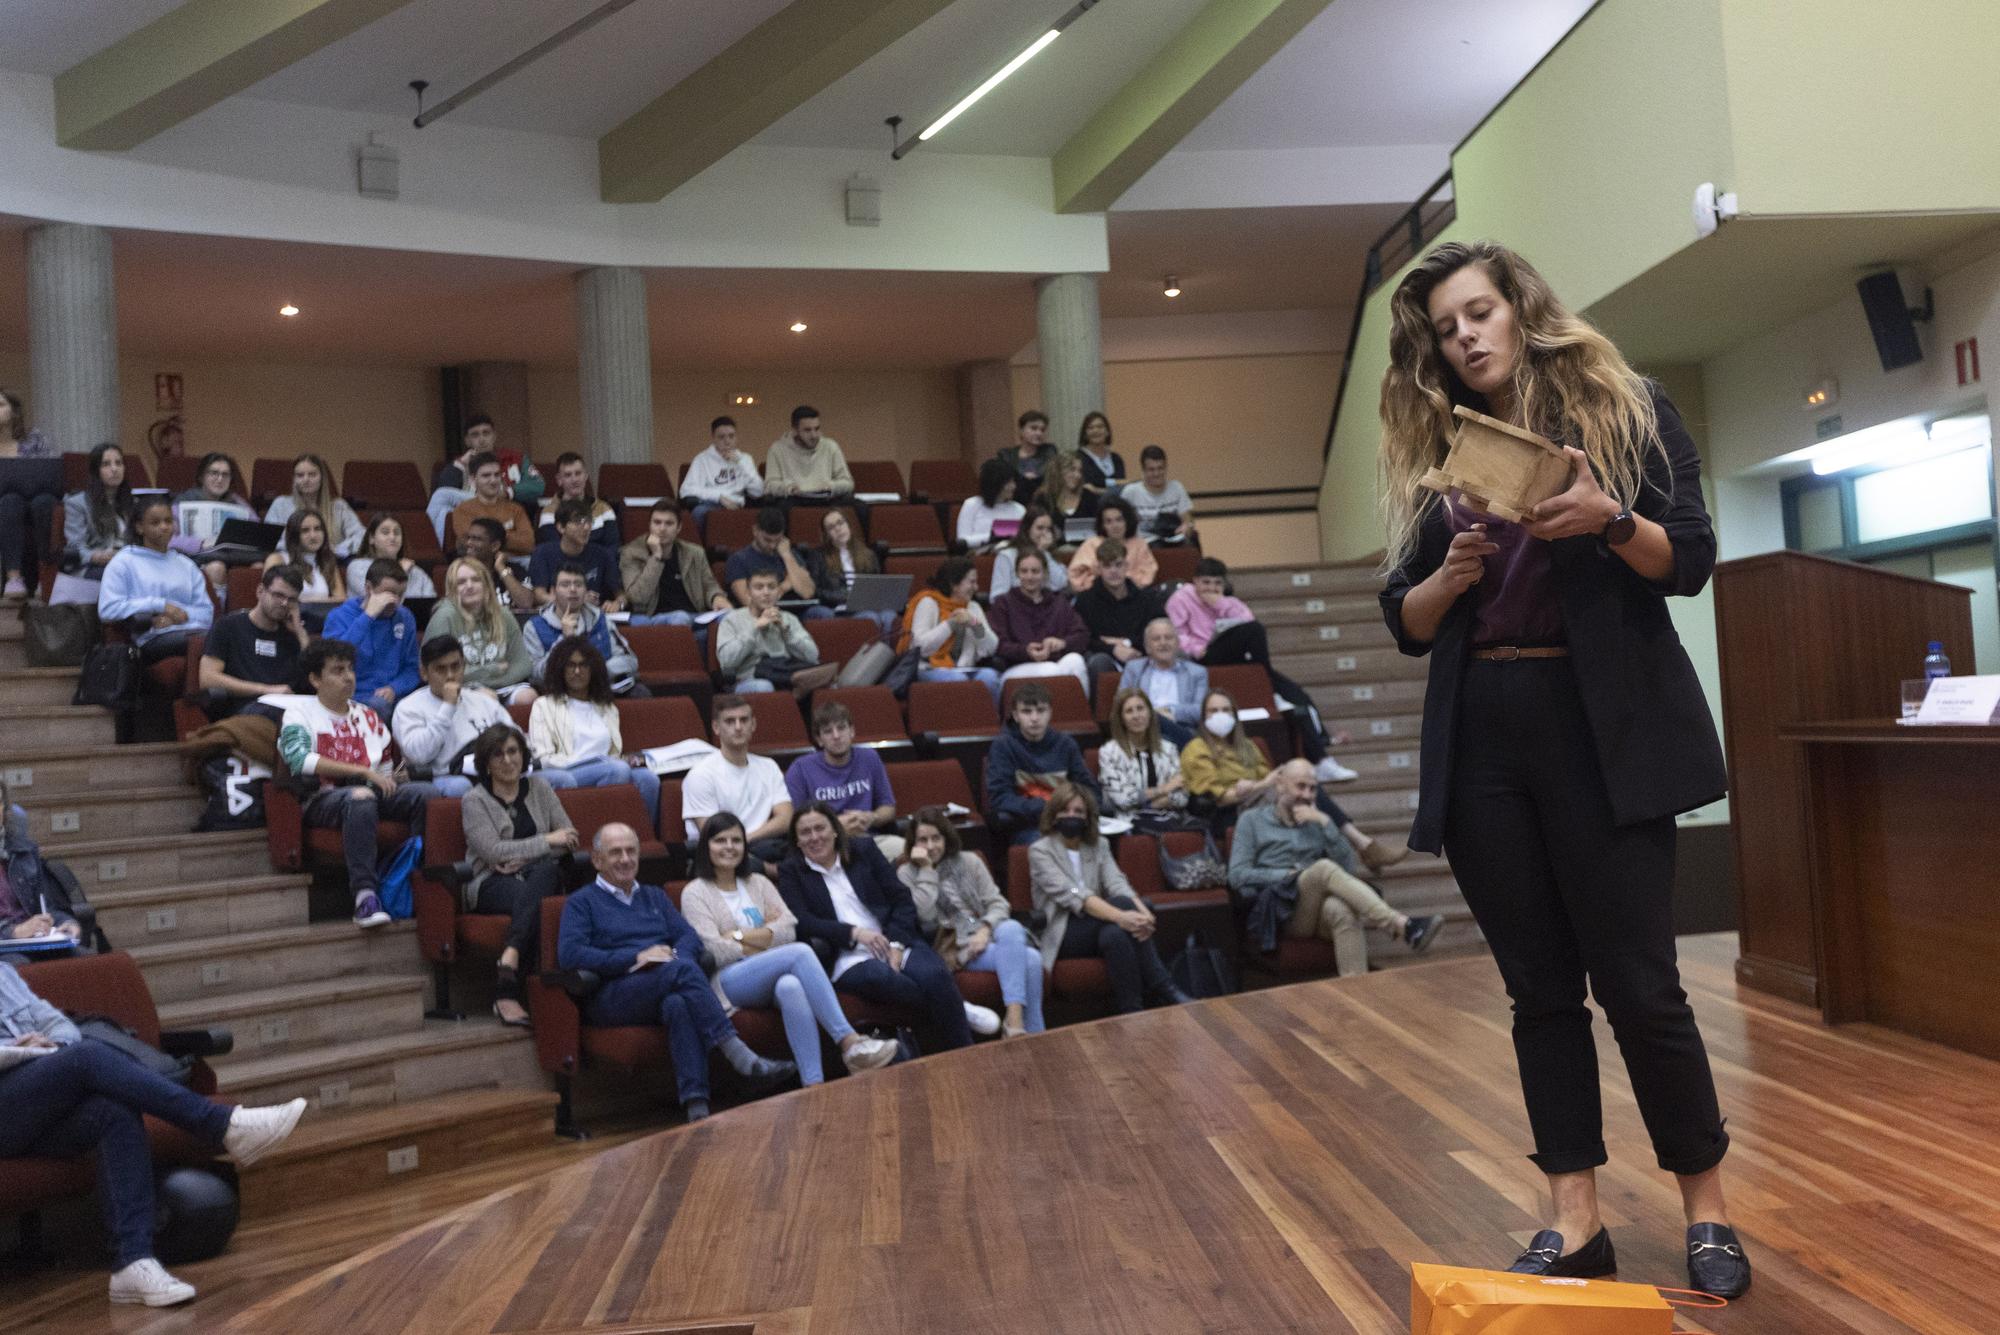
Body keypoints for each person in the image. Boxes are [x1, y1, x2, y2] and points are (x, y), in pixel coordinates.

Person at [1379, 240, 1742, 1295]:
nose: (1466, 336)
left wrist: (1607, 520)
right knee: (1538, 993)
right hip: (1484, 732)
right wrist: (1446, 576)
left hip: (1602, 728)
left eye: (1479, 312)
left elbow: (1689, 559)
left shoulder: (1622, 408)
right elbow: (1403, 620)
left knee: (1640, 988)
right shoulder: (1437, 453)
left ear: (1517, 308)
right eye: (1446, 329)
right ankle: (1573, 1221)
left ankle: (1706, 1214)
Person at [0, 958, 306, 1308]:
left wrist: (51, 1046)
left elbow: (61, 1025)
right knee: (86, 1058)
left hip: (31, 1104)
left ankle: (133, 1261)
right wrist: (24, 1052)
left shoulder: (4, 973)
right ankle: (222, 1125)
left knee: (113, 1112)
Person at [557, 823, 796, 1123]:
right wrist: (636, 957)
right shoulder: (582, 902)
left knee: (678, 1004)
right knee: (681, 971)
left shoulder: (654, 896)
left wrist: (672, 957)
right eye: (615, 852)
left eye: (631, 851)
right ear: (597, 860)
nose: (625, 859)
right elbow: (572, 954)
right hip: (613, 994)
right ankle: (738, 1054)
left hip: (663, 981)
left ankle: (696, 1105)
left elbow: (689, 937)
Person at [678, 812, 900, 1084]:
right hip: (728, 982)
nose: (729, 847)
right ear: (705, 847)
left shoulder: (758, 883)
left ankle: (813, 1085)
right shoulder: (695, 892)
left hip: (770, 972)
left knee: (790, 986)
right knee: (800, 953)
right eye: (720, 840)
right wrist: (766, 938)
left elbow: (790, 928)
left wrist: (737, 935)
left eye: (736, 840)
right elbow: (716, 951)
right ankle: (849, 1040)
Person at [777, 803, 975, 1053]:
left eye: (820, 828)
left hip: (892, 939)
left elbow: (900, 899)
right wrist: (853, 933)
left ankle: (966, 1053)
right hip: (847, 955)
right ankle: (954, 1006)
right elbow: (802, 920)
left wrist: (895, 944)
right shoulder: (791, 871)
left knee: (934, 974)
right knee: (886, 980)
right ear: (796, 840)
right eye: (805, 832)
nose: (814, 837)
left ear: (835, 830)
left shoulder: (863, 850)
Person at [278, 637, 435, 928]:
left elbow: (385, 771)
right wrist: (362, 772)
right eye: (338, 670)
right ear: (315, 679)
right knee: (361, 796)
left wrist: (393, 778)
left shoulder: (369, 716)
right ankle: (365, 896)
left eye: (350, 668)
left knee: (427, 795)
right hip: (322, 798)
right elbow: (299, 760)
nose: (348, 676)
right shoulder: (299, 713)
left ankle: (415, 879)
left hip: (372, 792)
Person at [1230, 760, 1441, 974]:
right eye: (1300, 786)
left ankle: (1357, 993)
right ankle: (1399, 924)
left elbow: (1347, 869)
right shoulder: (1252, 821)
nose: (1307, 795)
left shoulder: (1318, 821)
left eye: (1312, 789)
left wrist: (1326, 824)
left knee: (1342, 910)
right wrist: (1288, 875)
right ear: (1280, 786)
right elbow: (1237, 875)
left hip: (1314, 908)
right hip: (1280, 913)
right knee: (1322, 868)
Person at [1167, 556, 1358, 784]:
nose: (1211, 589)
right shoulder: (1180, 598)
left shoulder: (1226, 600)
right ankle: (1265, 675)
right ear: (1195, 581)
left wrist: (1220, 603)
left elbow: (1246, 618)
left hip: (1234, 656)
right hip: (1203, 658)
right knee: (1255, 632)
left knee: (1297, 696)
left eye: (1217, 584)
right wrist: (1198, 649)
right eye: (1206, 583)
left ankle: (1322, 760)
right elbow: (1177, 635)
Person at [1028, 783, 1189, 1015]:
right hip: (1062, 931)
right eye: (1065, 811)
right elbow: (1075, 896)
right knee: (1120, 915)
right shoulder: (1039, 851)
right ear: (1054, 816)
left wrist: (1145, 915)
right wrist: (1123, 917)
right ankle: (1165, 986)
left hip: (1097, 923)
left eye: (1078, 811)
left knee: (1114, 935)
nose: (1071, 816)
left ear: (1087, 817)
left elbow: (1117, 883)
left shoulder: (1098, 845)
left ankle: (1132, 1011)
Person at [460, 724, 577, 1026]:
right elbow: (493, 853)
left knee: (545, 877)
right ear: (486, 762)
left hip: (539, 875)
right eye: (498, 754)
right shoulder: (474, 800)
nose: (508, 760)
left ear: (523, 755)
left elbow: (570, 838)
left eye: (513, 752)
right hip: (489, 882)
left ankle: (507, 979)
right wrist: (547, 842)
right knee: (541, 898)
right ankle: (546, 998)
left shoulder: (540, 788)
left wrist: (522, 853)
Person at [899, 806, 1044, 1036]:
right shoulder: (907, 873)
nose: (930, 846)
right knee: (1032, 959)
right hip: (953, 946)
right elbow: (923, 915)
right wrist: (927, 870)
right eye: (922, 840)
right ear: (913, 843)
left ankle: (1015, 1022)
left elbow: (998, 904)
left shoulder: (969, 861)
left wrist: (985, 930)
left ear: (945, 837)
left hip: (986, 934)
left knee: (1011, 927)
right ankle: (1031, 1032)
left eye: (936, 838)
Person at [526, 637, 660, 822]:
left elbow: (614, 753)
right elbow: (543, 756)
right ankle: (603, 827)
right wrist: (590, 763)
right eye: (570, 666)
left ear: (593, 669)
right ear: (560, 670)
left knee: (648, 779)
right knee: (616, 770)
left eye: (583, 665)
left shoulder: (607, 708)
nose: (577, 671)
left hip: (610, 766)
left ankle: (642, 835)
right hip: (567, 770)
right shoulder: (544, 705)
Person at [392, 635, 517, 796]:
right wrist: (448, 706)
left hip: (495, 770)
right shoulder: (408, 708)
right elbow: (419, 756)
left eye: (455, 666)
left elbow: (515, 736)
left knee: (555, 778)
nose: (450, 675)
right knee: (459, 787)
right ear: (424, 673)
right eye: (441, 669)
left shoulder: (482, 700)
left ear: (464, 666)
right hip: (446, 776)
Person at [97, 497, 213, 665]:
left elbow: (206, 613)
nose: (164, 527)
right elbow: (108, 610)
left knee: (225, 637)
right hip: (150, 639)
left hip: (190, 631)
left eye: (168, 521)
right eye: (155, 522)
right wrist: (160, 605)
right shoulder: (123, 562)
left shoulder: (186, 565)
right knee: (209, 642)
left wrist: (177, 616)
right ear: (139, 527)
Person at [784, 700, 902, 860]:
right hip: (824, 845)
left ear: (852, 731)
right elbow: (795, 824)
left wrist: (871, 817)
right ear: (819, 740)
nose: (836, 736)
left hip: (869, 839)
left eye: (841, 728)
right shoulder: (800, 768)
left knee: (907, 851)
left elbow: (888, 808)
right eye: (828, 731)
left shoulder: (869, 758)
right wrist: (835, 826)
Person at [983, 681, 1097, 845]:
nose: (1035, 718)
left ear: (1050, 712)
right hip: (1028, 825)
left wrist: (1074, 810)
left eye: (1041, 710)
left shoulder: (1066, 744)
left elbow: (1089, 789)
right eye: (1027, 712)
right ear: (1015, 715)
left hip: (1069, 821)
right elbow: (1000, 798)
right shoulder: (1003, 746)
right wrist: (1047, 808)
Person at [681, 694, 792, 862]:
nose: (738, 727)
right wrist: (742, 843)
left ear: (753, 724)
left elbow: (786, 818)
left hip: (762, 846)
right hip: (720, 853)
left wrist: (748, 838)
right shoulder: (701, 774)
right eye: (730, 721)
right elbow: (712, 833)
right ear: (716, 727)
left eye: (744, 720)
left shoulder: (768, 766)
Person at [198, 564, 309, 718]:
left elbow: (316, 682)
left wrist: (301, 635)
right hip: (244, 711)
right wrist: (266, 690)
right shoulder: (228, 626)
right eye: (278, 595)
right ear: (260, 591)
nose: (284, 603)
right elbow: (208, 679)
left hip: (289, 711)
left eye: (291, 599)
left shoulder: (292, 635)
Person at [426, 556, 538, 704]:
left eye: (476, 580)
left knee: (528, 697)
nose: (469, 586)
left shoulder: (503, 614)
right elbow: (438, 671)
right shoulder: (444, 617)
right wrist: (492, 669)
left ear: (486, 584)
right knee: (487, 699)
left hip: (504, 684)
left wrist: (491, 681)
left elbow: (523, 665)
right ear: (452, 588)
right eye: (461, 582)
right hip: (462, 687)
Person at [715, 568, 839, 699]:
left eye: (771, 587)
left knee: (831, 685)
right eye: (759, 587)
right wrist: (754, 627)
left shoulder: (788, 619)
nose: (766, 592)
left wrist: (786, 631)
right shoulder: (732, 619)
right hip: (750, 679)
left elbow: (812, 656)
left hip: (786, 673)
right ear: (748, 592)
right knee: (764, 686)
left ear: (779, 592)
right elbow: (727, 662)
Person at [986, 547, 1090, 695]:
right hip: (1016, 667)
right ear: (1016, 573)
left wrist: (1062, 643)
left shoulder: (1058, 602)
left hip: (1054, 662)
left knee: (1076, 660)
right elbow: (996, 644)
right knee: (1052, 670)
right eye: (1024, 571)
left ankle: (1078, 715)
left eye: (1035, 571)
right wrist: (1025, 650)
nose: (1029, 577)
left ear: (1045, 574)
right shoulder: (1004, 604)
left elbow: (1082, 634)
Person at [324, 558, 422, 713]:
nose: (395, 601)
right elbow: (335, 660)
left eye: (401, 595)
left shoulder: (405, 617)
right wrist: (368, 616)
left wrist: (394, 688)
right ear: (369, 588)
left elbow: (412, 668)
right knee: (379, 706)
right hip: (352, 696)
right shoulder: (339, 616)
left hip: (394, 696)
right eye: (389, 593)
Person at [524, 563, 642, 691]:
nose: (573, 589)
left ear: (586, 591)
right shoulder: (534, 626)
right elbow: (535, 674)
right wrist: (564, 640)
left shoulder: (601, 620)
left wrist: (593, 672)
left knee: (640, 692)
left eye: (578, 585)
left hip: (601, 689)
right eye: (565, 585)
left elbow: (630, 661)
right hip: (559, 695)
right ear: (553, 591)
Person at [898, 557, 1000, 700]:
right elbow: (920, 647)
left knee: (990, 677)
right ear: (954, 584)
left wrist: (974, 623)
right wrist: (950, 624)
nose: (976, 587)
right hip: (927, 668)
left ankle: (992, 720)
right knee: (957, 679)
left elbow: (991, 647)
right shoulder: (928, 603)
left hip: (962, 669)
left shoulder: (973, 607)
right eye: (971, 582)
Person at [620, 499, 730, 630]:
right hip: (652, 618)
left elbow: (709, 585)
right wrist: (656, 558)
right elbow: (637, 597)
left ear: (679, 527)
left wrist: (716, 598)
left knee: (732, 616)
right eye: (657, 522)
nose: (662, 528)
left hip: (694, 616)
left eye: (669, 523)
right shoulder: (631, 553)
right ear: (649, 525)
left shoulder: (694, 553)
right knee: (680, 617)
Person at [2, 775, 84, 944]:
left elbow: (46, 908)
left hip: (34, 941)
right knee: (22, 968)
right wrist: (14, 932)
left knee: (90, 962)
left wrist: (66, 923)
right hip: (5, 949)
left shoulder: (23, 851)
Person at [1075, 539, 1163, 682]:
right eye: (1107, 566)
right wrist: (1113, 649)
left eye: (1118, 565)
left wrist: (1126, 644)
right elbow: (1083, 638)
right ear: (1098, 568)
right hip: (1105, 657)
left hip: (1141, 653)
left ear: (1127, 566)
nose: (1113, 571)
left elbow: (1158, 628)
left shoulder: (1146, 598)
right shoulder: (1086, 600)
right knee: (1098, 661)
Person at [1099, 688, 1191, 821]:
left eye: (1140, 708)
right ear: (1121, 719)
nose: (1136, 716)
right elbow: (1123, 800)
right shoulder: (1109, 752)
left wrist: (1149, 804)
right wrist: (1164, 789)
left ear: (1150, 713)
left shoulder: (1169, 749)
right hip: (1130, 822)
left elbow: (1182, 797)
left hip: (1169, 819)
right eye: (1129, 711)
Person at [170, 451, 256, 592]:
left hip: (234, 555)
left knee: (258, 566)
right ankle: (218, 611)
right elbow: (168, 539)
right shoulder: (182, 503)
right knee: (217, 567)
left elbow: (256, 530)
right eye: (214, 473)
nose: (220, 479)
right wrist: (201, 543)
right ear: (202, 476)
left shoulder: (237, 502)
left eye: (225, 474)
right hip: (196, 557)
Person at [1118, 616, 1207, 748]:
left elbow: (1201, 710)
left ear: (1177, 643)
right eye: (1156, 639)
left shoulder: (1197, 672)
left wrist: (1171, 712)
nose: (1163, 643)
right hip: (1143, 729)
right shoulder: (1134, 669)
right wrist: (1151, 715)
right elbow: (1121, 703)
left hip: (1182, 729)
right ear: (1147, 647)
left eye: (1168, 638)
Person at [0, 388, 56, 598]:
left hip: (37, 498)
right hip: (5, 505)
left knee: (44, 502)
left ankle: (45, 576)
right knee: (9, 501)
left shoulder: (34, 438)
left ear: (14, 412)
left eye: (0, 405)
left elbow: (51, 471)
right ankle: (14, 578)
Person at [806, 508, 894, 636]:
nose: (838, 529)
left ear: (848, 525)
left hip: (866, 605)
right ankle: (873, 655)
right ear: (826, 535)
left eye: (840, 523)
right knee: (870, 617)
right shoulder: (818, 556)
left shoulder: (868, 554)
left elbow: (876, 585)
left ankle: (889, 655)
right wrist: (846, 597)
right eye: (831, 527)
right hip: (838, 607)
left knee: (889, 615)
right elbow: (815, 590)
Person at [264, 453, 364, 558]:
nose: (306, 479)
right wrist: (303, 547)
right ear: (294, 479)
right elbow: (268, 540)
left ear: (322, 478)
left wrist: (339, 549)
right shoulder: (280, 504)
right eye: (300, 475)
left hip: (330, 561)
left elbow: (362, 536)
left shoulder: (339, 506)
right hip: (292, 562)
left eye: (312, 474)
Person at [724, 506, 822, 611]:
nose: (772, 545)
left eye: (777, 540)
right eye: (767, 540)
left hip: (796, 611)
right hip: (761, 615)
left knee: (821, 613)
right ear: (755, 530)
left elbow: (807, 592)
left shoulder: (791, 554)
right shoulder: (738, 559)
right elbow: (747, 601)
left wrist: (787, 555)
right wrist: (784, 586)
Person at [529, 500, 622, 610]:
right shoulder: (543, 553)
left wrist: (618, 604)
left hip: (594, 615)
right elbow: (539, 596)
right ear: (561, 527)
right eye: (578, 522)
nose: (586, 527)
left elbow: (621, 594)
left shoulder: (602, 554)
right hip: (556, 614)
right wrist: (577, 601)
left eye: (589, 521)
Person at [60, 441, 131, 584]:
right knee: (122, 577)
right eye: (106, 464)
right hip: (95, 566)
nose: (114, 469)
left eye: (118, 463)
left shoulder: (133, 502)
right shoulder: (77, 504)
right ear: (96, 471)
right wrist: (95, 556)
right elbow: (75, 546)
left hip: (128, 563)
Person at [265, 509, 347, 620]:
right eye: (305, 531)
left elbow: (341, 600)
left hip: (321, 622)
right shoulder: (278, 559)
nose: (313, 536)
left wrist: (303, 603)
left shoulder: (327, 561)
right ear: (294, 535)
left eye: (317, 529)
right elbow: (272, 599)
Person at [449, 452, 535, 557]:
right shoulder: (463, 509)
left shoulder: (516, 509)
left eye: (497, 475)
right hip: (479, 563)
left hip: (517, 561)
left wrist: (489, 536)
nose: (493, 480)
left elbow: (528, 544)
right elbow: (472, 544)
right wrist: (508, 536)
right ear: (472, 479)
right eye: (486, 476)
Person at [681, 415, 764, 521]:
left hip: (739, 503)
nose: (727, 441)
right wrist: (719, 497)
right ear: (713, 438)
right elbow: (686, 490)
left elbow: (759, 492)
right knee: (699, 512)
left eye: (731, 436)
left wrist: (740, 463)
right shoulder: (702, 459)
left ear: (736, 437)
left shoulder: (745, 459)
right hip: (712, 503)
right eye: (721, 437)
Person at [1067, 497, 1156, 591]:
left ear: (1127, 521)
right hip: (1096, 594)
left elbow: (1148, 574)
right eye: (1108, 521)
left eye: (1119, 520)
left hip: (1132, 595)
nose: (1115, 526)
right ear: (1102, 525)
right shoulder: (1091, 544)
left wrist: (1122, 583)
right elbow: (1075, 575)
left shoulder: (1139, 544)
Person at [764, 405, 854, 499]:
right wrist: (789, 488)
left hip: (825, 498)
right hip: (792, 498)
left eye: (817, 429)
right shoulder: (777, 449)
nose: (814, 435)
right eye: (807, 430)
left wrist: (830, 486)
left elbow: (848, 483)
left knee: (859, 506)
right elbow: (770, 485)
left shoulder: (830, 446)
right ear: (795, 430)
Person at [533, 452, 618, 549]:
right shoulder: (549, 513)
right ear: (559, 480)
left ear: (586, 476)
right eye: (568, 475)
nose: (574, 480)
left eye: (578, 473)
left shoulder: (604, 509)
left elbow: (612, 549)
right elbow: (553, 551)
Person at [344, 513, 435, 600]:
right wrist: (400, 571)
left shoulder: (416, 572)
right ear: (371, 538)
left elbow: (430, 605)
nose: (392, 537)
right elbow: (377, 601)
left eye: (397, 533)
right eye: (385, 532)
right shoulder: (356, 567)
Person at [988, 506, 1071, 600]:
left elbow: (1061, 584)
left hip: (1046, 609)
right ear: (1027, 529)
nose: (1045, 534)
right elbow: (997, 596)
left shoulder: (1050, 554)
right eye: (1040, 528)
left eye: (1048, 529)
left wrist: (1043, 552)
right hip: (1016, 610)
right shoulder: (1007, 556)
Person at [458, 516, 536, 611]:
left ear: (495, 546)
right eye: (468, 538)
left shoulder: (516, 571)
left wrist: (501, 568)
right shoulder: (459, 572)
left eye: (477, 539)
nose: (469, 543)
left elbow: (526, 603)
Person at [1121, 444, 1195, 539]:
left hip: (1172, 542)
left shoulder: (1177, 488)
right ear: (1143, 470)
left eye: (1160, 468)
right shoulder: (1130, 492)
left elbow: (1187, 519)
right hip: (1141, 544)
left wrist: (1187, 527)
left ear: (1166, 467)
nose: (1156, 474)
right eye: (1151, 470)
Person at [956, 456, 1024, 550]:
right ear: (995, 484)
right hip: (979, 556)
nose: (1013, 486)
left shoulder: (1019, 509)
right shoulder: (971, 505)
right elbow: (962, 541)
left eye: (1013, 481)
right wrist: (992, 538)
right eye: (1008, 483)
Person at [1030, 450, 1097, 537]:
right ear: (1058, 471)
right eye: (1072, 469)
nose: (1077, 475)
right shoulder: (1043, 498)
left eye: (1079, 471)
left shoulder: (1088, 497)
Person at [1001, 409, 1056, 492]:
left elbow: (1053, 480)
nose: (1039, 433)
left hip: (1043, 499)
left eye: (1042, 430)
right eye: (1034, 428)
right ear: (1021, 430)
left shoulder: (1049, 451)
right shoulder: (1007, 455)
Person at [1076, 411, 1125, 492]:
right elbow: (1088, 484)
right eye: (1090, 428)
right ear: (1084, 434)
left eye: (1100, 427)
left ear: (1107, 432)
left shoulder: (1116, 458)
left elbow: (1122, 488)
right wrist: (1116, 483)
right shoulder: (1078, 457)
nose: (1095, 431)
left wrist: (1098, 490)